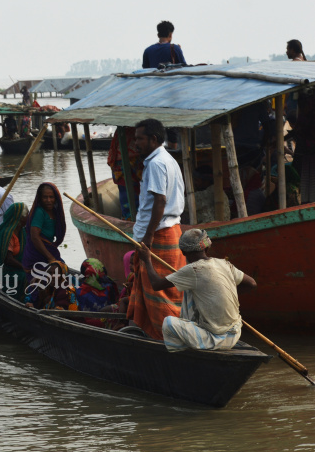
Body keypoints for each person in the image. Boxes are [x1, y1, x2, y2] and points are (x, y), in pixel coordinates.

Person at [136, 229, 257, 352]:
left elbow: (156, 284)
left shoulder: (192, 269)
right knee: (191, 289)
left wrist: (147, 260)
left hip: (216, 338)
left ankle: (182, 352)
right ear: (207, 248)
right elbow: (252, 283)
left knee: (168, 323)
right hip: (235, 332)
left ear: (183, 253)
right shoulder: (225, 264)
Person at [127, 118, 186, 340]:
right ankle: (153, 334)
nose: (136, 144)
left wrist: (148, 238)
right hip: (169, 231)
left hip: (160, 234)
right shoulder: (166, 159)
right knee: (166, 289)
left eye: (140, 139)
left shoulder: (156, 163)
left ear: (153, 139)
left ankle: (163, 337)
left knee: (160, 292)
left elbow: (160, 202)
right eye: (135, 139)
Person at [22, 182, 66, 273]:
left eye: (51, 197)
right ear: (40, 199)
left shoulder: (55, 212)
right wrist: (50, 258)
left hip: (47, 252)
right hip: (37, 255)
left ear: (56, 198)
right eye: (45, 197)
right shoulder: (39, 212)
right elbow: (35, 237)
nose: (48, 200)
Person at [0, 202, 29, 298]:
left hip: (16, 267)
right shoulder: (7, 234)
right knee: (25, 277)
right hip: (5, 270)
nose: (29, 216)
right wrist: (25, 268)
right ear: (20, 217)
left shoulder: (22, 232)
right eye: (27, 214)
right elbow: (8, 259)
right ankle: (22, 299)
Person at [106, 127, 143, 219]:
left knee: (130, 196)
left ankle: (130, 218)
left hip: (126, 166)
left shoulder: (123, 131)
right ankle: (131, 218)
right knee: (130, 196)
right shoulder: (129, 132)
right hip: (125, 167)